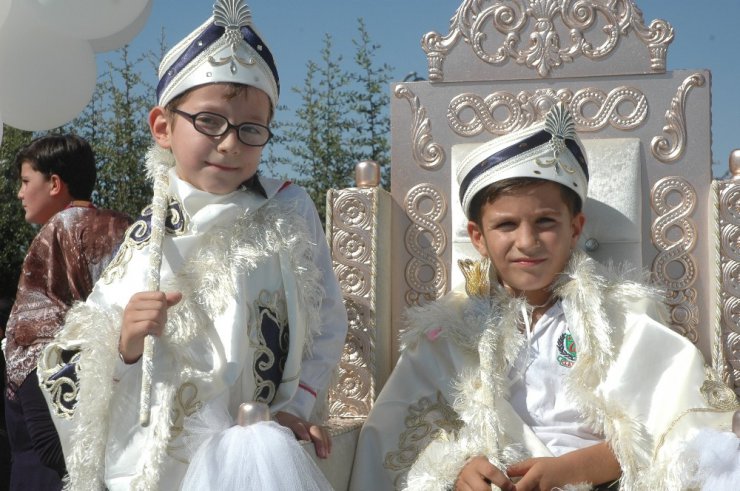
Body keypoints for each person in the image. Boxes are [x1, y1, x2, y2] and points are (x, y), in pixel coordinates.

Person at [37, 1, 348, 489]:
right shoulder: (149, 238)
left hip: (259, 456)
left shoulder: (286, 212)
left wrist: (297, 406)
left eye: (250, 129)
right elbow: (71, 356)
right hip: (169, 466)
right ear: (163, 126)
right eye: (209, 122)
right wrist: (123, 342)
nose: (230, 144)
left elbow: (326, 317)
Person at [349, 103, 737, 491]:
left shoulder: (620, 318)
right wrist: (457, 470)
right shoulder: (450, 333)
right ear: (478, 237)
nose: (527, 242)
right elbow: (399, 438)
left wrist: (570, 469)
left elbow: (672, 427)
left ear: (575, 227)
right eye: (505, 225)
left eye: (545, 222)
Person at [2, 134, 132, 490]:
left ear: (55, 184)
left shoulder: (57, 233)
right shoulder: (129, 229)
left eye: (26, 181)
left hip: (51, 457)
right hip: (121, 429)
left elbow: (29, 340)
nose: (19, 193)